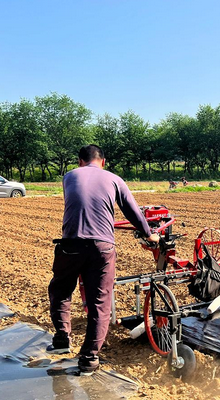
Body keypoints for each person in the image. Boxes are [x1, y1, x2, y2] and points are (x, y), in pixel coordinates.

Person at [47, 144, 159, 375]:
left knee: (61, 290)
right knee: (100, 302)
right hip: (102, 247)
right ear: (104, 162)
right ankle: (88, 360)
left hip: (70, 245)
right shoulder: (114, 179)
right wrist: (149, 234)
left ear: (80, 161)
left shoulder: (69, 177)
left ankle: (61, 339)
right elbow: (132, 211)